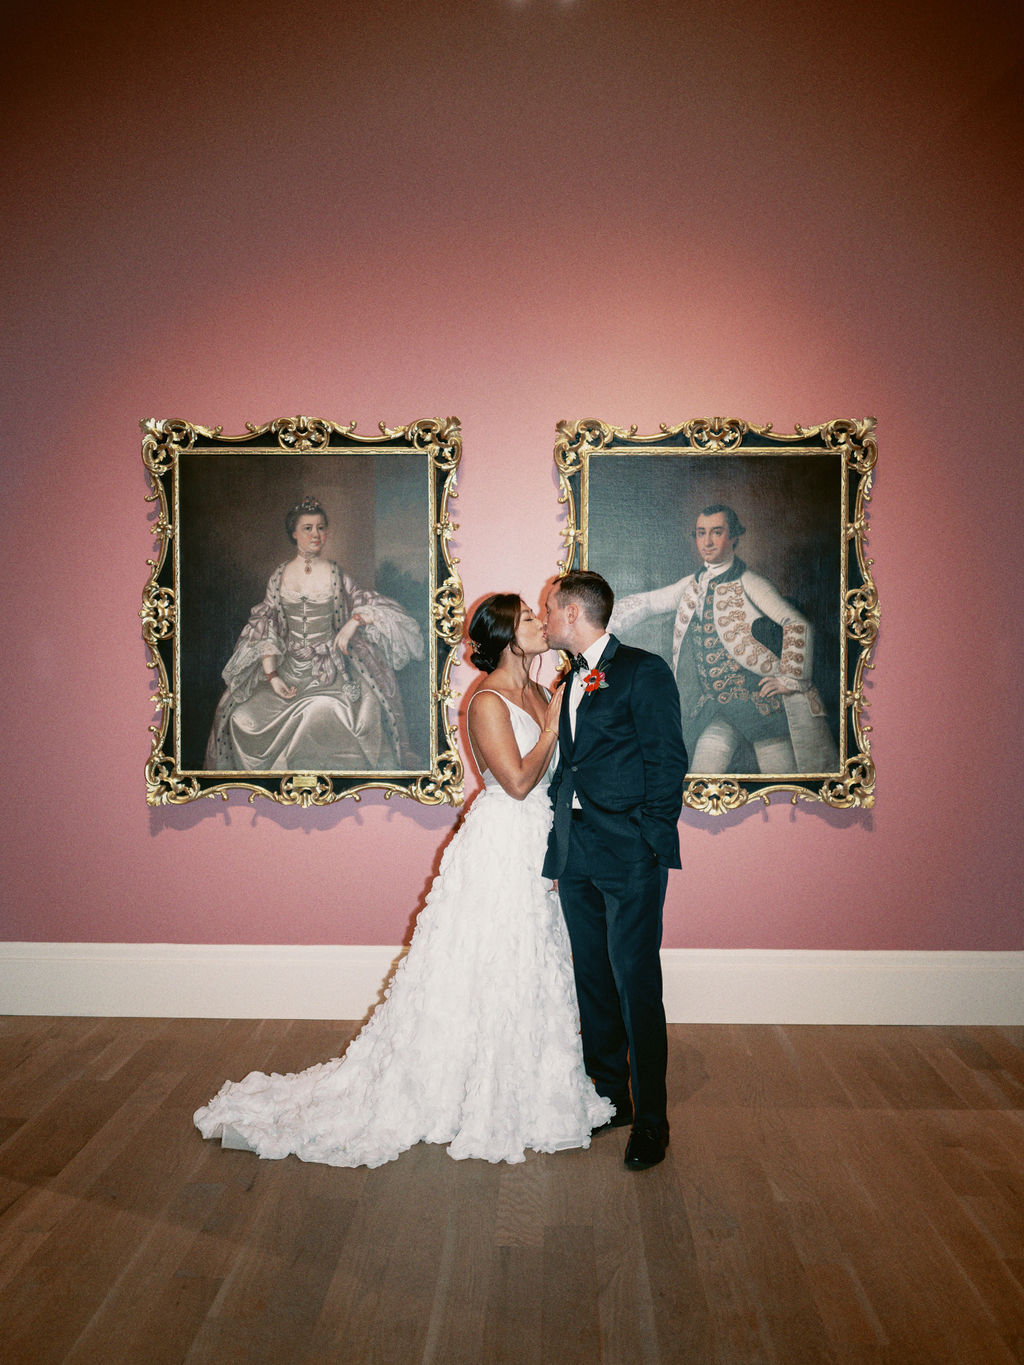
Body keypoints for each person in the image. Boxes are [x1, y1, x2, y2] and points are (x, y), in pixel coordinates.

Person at [193, 593, 613, 1167]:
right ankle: (455, 1091)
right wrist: (552, 723)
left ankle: (529, 1085)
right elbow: (515, 782)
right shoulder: (485, 699)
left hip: (540, 841)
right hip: (501, 842)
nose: (543, 624)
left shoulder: (541, 691)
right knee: (488, 961)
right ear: (508, 638)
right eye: (531, 619)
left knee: (528, 963)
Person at [543, 570, 686, 1171]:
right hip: (576, 849)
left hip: (629, 852)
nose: (546, 619)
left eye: (551, 610)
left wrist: (650, 840)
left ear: (574, 615)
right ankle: (609, 1098)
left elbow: (667, 759)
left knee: (635, 984)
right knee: (593, 979)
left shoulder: (643, 670)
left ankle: (652, 1120)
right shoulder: (568, 675)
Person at [610, 504, 838, 775]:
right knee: (703, 772)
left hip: (760, 702)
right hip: (717, 705)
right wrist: (602, 625)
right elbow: (647, 603)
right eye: (700, 533)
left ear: (733, 538)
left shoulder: (751, 582)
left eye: (716, 533)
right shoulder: (692, 584)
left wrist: (789, 677)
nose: (706, 541)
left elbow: (796, 622)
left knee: (781, 778)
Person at [204, 497, 424, 772]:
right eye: (308, 528)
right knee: (241, 717)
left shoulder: (335, 574)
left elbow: (368, 605)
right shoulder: (279, 576)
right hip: (288, 671)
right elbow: (266, 626)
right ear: (294, 533)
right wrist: (272, 678)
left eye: (321, 528)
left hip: (332, 672)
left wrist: (352, 623)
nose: (316, 535)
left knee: (322, 710)